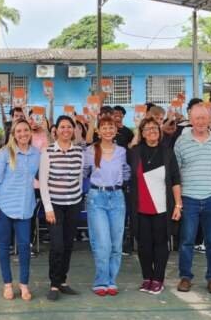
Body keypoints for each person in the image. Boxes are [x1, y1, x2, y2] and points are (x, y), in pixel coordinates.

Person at [173, 104, 211, 295]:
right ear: (191, 120)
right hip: (188, 198)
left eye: (203, 118)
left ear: (209, 120)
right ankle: (185, 277)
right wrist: (178, 201)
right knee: (187, 240)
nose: (200, 122)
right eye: (196, 118)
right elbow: (176, 174)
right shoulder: (181, 142)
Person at [127, 117, 181, 295]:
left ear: (160, 131)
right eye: (147, 128)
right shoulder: (134, 152)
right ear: (141, 132)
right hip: (140, 208)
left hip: (162, 207)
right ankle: (147, 277)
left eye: (155, 128)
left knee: (160, 244)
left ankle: (158, 279)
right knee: (143, 245)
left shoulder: (167, 152)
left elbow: (175, 180)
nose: (152, 131)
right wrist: (136, 131)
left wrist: (178, 205)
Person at [0, 119, 40, 301]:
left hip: (25, 207)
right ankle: (8, 284)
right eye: (19, 131)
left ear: (30, 132)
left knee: (25, 246)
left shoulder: (37, 154)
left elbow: (41, 176)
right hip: (4, 206)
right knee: (3, 246)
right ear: (13, 134)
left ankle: (24, 285)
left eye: (26, 130)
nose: (23, 134)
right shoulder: (4, 153)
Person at [84, 116, 131, 297]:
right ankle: (101, 281)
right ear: (98, 130)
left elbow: (126, 172)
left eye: (111, 127)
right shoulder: (90, 151)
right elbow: (83, 172)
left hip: (117, 198)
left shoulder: (121, 151)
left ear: (115, 130)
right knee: (102, 243)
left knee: (116, 243)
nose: (108, 130)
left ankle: (112, 281)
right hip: (97, 198)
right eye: (104, 127)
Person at [39, 116, 84, 301]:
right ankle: (54, 284)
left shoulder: (79, 152)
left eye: (69, 127)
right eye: (62, 127)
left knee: (68, 245)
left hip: (73, 204)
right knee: (57, 245)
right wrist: (48, 208)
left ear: (73, 130)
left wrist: (78, 198)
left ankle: (63, 281)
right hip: (55, 205)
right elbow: (43, 182)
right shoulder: (48, 151)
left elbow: (80, 179)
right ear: (55, 130)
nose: (66, 130)